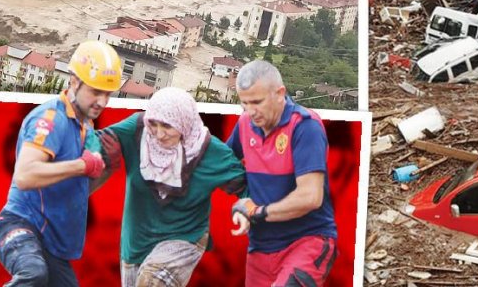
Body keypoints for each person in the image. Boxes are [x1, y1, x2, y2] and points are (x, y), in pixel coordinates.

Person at [0, 40, 123, 286]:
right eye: (95, 91)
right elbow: (25, 176)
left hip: (50, 241)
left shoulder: (85, 126)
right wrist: (82, 166)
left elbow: (76, 191)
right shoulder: (51, 119)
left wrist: (105, 169)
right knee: (33, 274)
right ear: (74, 81)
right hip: (21, 226)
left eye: (108, 94)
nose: (102, 102)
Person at [97, 87, 247, 287]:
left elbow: (248, 188)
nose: (159, 134)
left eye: (167, 126)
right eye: (153, 124)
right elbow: (96, 142)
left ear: (184, 122)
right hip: (136, 242)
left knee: (151, 282)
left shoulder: (212, 153)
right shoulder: (137, 130)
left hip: (184, 238)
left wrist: (246, 209)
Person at [227, 60, 338, 286]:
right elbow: (224, 168)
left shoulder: (305, 126)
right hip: (260, 247)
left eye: (257, 102)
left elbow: (310, 197)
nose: (250, 111)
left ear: (280, 93)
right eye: (244, 103)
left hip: (306, 241)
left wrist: (257, 211)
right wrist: (242, 204)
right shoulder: (245, 123)